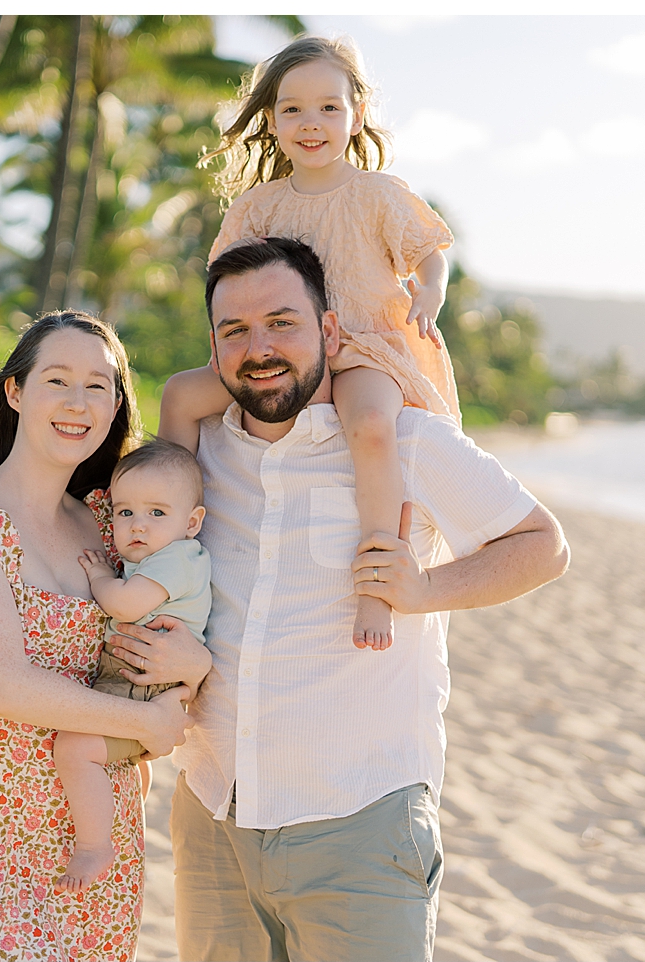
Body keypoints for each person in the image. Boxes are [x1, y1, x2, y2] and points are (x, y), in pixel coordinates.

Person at [108, 238, 570, 962]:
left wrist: (421, 591)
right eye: (235, 331)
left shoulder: (405, 440)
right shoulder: (195, 459)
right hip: (212, 814)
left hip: (360, 825)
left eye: (282, 323)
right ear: (214, 348)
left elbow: (542, 544)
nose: (259, 347)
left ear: (328, 331)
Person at [0, 312, 206, 961]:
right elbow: (5, 684)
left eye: (99, 386)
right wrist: (145, 725)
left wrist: (190, 668)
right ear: (16, 392)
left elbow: (172, 624)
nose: (78, 403)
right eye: (58, 380)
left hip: (101, 839)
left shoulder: (112, 525)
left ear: (117, 404)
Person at [161, 34, 458, 654]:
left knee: (373, 424)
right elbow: (223, 286)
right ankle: (168, 548)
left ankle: (378, 576)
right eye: (292, 108)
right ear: (270, 120)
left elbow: (430, 256)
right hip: (277, 355)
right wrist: (223, 347)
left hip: (362, 352)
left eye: (329, 107)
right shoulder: (258, 207)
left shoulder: (379, 195)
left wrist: (430, 294)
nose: (311, 122)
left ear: (355, 115)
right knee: (181, 396)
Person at [53, 438, 212, 892]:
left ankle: (94, 844)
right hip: (135, 678)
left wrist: (100, 574)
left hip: (145, 684)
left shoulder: (179, 559)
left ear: (192, 522)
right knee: (114, 757)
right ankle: (125, 801)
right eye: (125, 513)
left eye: (157, 514)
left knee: (73, 748)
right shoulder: (161, 556)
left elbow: (124, 605)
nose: (138, 525)